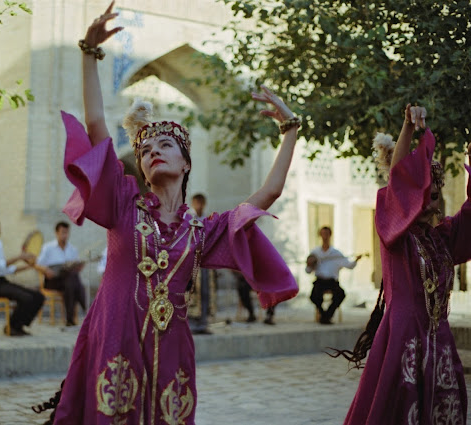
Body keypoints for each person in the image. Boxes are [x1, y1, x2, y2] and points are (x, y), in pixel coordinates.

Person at [33, 3, 299, 423]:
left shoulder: (202, 231)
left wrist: (290, 131)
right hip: (115, 337)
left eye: (165, 146)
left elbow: (269, 192)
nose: (154, 152)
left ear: (186, 163)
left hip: (172, 345)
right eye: (146, 151)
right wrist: (89, 52)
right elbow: (97, 124)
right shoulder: (124, 206)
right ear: (139, 168)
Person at [331, 105, 471, 424]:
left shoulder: (442, 238)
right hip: (402, 339)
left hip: (438, 339)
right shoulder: (395, 238)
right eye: (425, 193)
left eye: (436, 195)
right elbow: (398, 187)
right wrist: (408, 129)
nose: (431, 201)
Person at [0, 213, 44, 336]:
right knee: (26, 298)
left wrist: (28, 266)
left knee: (38, 296)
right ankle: (11, 327)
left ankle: (19, 325)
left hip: (1, 281)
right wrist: (19, 257)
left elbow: (5, 269)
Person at [305, 226, 361, 324]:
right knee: (314, 296)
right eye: (323, 234)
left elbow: (349, 265)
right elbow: (308, 271)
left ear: (330, 235)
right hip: (320, 281)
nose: (325, 237)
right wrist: (310, 264)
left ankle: (327, 315)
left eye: (327, 234)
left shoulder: (336, 253)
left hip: (332, 282)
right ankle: (324, 315)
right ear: (320, 235)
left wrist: (356, 260)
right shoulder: (315, 252)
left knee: (341, 295)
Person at [34, 221, 86, 327]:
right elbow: (37, 265)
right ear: (56, 233)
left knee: (71, 280)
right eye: (63, 232)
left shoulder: (72, 249)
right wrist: (46, 270)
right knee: (74, 282)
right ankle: (86, 311)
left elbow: (75, 268)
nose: (65, 235)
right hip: (52, 280)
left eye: (67, 233)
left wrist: (79, 267)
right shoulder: (48, 248)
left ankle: (70, 319)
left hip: (67, 281)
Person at [187, 193, 216, 334]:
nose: (199, 206)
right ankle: (191, 322)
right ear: (193, 204)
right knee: (191, 291)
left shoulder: (207, 219)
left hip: (205, 260)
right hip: (191, 261)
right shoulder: (187, 219)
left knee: (205, 292)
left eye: (201, 203)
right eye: (196, 203)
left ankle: (203, 322)